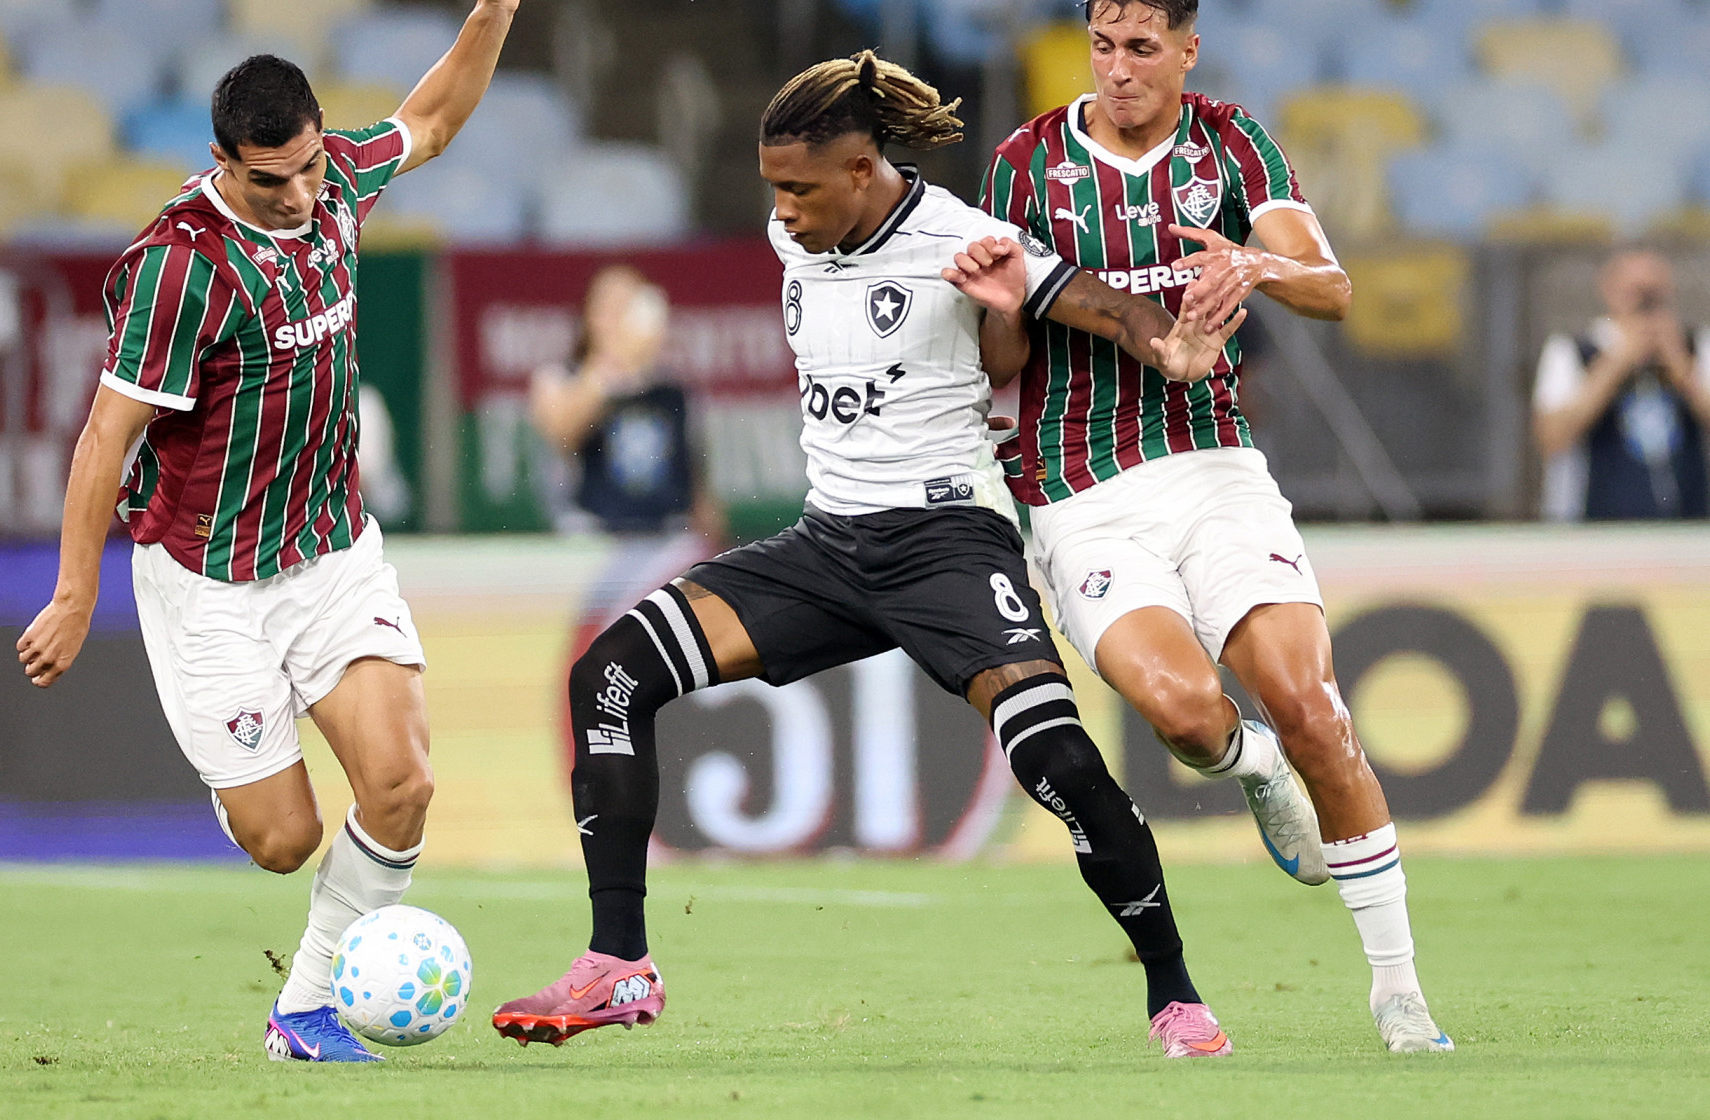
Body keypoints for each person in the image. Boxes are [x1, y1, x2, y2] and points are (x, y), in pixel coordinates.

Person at [492, 51, 1244, 1059]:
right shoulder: (794, 228)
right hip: (829, 541)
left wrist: (1169, 343)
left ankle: (1175, 991)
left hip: (947, 541)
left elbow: (1096, 306)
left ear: (859, 170)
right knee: (610, 673)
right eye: (773, 187)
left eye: (799, 187)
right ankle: (619, 959)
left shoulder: (964, 238)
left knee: (1057, 756)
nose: (782, 209)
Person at [14, 0, 532, 1064]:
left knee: (401, 783)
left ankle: (302, 1009)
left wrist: (493, 6)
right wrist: (70, 589)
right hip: (208, 580)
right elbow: (107, 437)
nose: (301, 191)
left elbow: (433, 118)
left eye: (307, 165)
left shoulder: (336, 178)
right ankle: (240, 763)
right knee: (283, 837)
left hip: (332, 551)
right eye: (273, 178)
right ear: (224, 161)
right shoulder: (177, 269)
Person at [980, 0, 1452, 1053]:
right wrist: (995, 300)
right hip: (1080, 484)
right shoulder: (1027, 163)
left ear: (1189, 51)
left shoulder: (1231, 146)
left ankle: (1399, 992)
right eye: (1101, 44)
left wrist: (1256, 265)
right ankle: (1252, 773)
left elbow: (1331, 286)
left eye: (1142, 47)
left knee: (1316, 707)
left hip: (1216, 464)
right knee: (1189, 714)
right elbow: (1000, 357)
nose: (1117, 67)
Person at [529, 263, 725, 540]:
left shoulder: (673, 390)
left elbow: (696, 484)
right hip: (592, 537)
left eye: (629, 306)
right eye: (610, 307)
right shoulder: (560, 378)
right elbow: (561, 433)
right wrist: (608, 369)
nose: (619, 318)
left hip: (667, 539)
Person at [1534, 245, 1710, 520]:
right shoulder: (1572, 350)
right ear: (1609, 290)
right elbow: (1551, 437)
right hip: (1594, 523)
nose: (1646, 303)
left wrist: (1682, 369)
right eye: (1636, 292)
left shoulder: (1696, 346)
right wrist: (1616, 364)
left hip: (1689, 522)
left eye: (1655, 292)